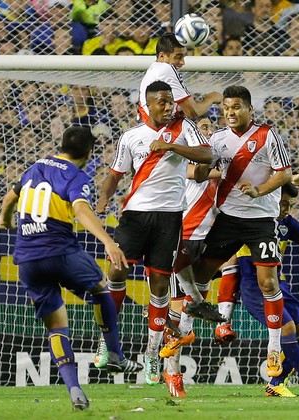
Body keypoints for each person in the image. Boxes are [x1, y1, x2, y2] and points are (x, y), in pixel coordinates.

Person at [0, 126, 143, 410]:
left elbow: (10, 197)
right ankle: (114, 353)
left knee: (56, 325)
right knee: (101, 289)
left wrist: (5, 219)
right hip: (59, 249)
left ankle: (74, 388)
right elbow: (81, 210)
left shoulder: (35, 166)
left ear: (60, 145)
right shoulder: (76, 176)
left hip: (26, 257)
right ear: (89, 154)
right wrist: (108, 242)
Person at [94, 81, 212, 385]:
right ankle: (106, 342)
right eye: (161, 101)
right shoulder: (131, 137)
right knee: (116, 270)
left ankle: (150, 354)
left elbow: (207, 155)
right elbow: (115, 174)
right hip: (135, 215)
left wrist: (171, 146)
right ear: (147, 105)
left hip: (170, 219)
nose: (167, 105)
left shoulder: (183, 127)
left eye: (170, 100)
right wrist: (104, 200)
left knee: (160, 284)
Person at [192, 85, 292, 379]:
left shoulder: (268, 135)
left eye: (236, 107)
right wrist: (199, 168)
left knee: (267, 282)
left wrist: (259, 190)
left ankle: (274, 349)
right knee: (198, 275)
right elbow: (202, 172)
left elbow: (284, 173)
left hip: (261, 220)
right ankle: (182, 332)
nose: (230, 113)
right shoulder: (217, 139)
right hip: (227, 219)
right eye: (225, 108)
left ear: (249, 109)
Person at [219, 186, 299, 397]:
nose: (286, 209)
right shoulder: (253, 221)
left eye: (290, 205)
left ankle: (276, 383)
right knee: (286, 327)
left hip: (281, 285)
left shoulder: (286, 222)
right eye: (283, 204)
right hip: (256, 286)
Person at [159, 115, 225, 398]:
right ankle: (169, 371)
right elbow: (190, 172)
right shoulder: (182, 158)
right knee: (178, 308)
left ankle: (168, 361)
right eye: (202, 126)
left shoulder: (218, 159)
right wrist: (216, 173)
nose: (207, 129)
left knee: (191, 311)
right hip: (183, 238)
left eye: (210, 126)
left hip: (207, 241)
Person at [137, 33, 222, 122]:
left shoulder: (154, 69)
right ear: (162, 56)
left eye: (183, 57)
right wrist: (211, 97)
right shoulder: (166, 69)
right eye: (178, 57)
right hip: (159, 132)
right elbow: (193, 112)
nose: (182, 62)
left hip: (148, 128)